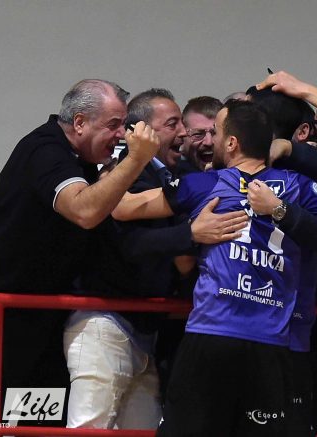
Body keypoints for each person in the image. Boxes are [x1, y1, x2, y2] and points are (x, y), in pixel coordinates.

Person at [112, 99, 317, 436]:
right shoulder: (297, 186)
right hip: (271, 344)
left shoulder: (203, 184)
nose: (212, 140)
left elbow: (121, 208)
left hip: (210, 337)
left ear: (231, 143)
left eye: (217, 132)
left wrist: (136, 157)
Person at [0, 79, 160, 427]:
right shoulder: (45, 150)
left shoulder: (84, 160)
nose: (121, 135)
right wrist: (137, 160)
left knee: (41, 423)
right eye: (113, 125)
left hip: (45, 311)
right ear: (79, 122)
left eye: (124, 125)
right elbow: (85, 210)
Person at [62, 88, 248, 430]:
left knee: (146, 428)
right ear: (142, 132)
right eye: (173, 124)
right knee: (89, 426)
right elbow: (126, 244)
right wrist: (191, 234)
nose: (183, 133)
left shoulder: (176, 174)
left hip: (146, 328)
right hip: (106, 320)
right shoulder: (123, 172)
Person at [177, 96, 223, 174]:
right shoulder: (170, 176)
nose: (209, 142)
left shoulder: (240, 176)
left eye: (215, 133)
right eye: (198, 134)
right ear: (183, 138)